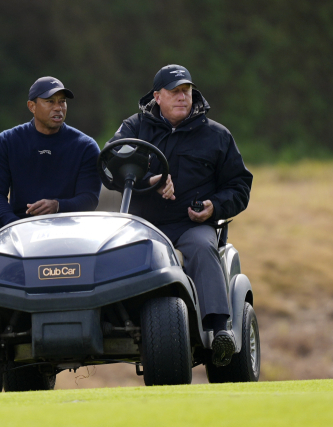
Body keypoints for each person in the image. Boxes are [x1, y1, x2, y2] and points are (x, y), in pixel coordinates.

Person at [107, 65, 253, 366]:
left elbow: (239, 186)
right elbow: (110, 169)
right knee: (109, 251)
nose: (182, 97)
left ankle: (218, 330)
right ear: (157, 97)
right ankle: (110, 323)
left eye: (186, 90)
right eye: (174, 92)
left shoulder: (217, 136)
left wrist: (214, 206)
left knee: (202, 247)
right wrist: (151, 180)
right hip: (141, 225)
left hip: (190, 225)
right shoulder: (134, 128)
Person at [0, 76, 101, 265]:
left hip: (67, 227)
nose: (58, 108)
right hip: (17, 225)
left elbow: (89, 199)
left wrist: (57, 206)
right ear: (32, 106)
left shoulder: (85, 146)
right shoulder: (7, 141)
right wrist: (13, 224)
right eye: (50, 102)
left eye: (62, 102)